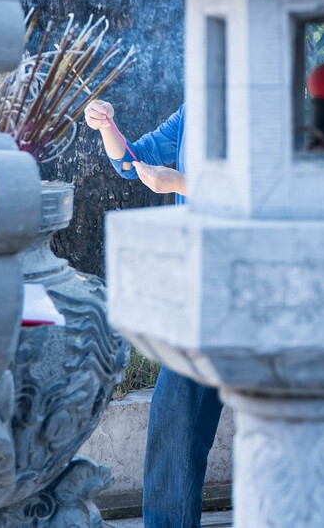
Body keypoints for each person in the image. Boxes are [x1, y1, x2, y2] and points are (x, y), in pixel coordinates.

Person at [83, 98, 207, 528]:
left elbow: (267, 192)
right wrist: (107, 128)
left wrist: (183, 184)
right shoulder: (194, 109)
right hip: (199, 287)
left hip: (255, 285)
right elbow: (133, 162)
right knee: (175, 416)